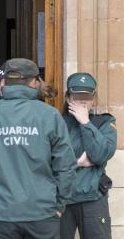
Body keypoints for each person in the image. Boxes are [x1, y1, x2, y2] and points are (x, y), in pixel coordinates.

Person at [0, 58, 77, 239]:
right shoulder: (50, 115)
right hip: (42, 213)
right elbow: (66, 165)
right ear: (33, 82)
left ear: (4, 82)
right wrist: (59, 205)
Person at [60, 72, 117, 239]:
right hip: (61, 199)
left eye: (87, 96)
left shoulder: (104, 123)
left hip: (93, 198)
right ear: (68, 97)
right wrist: (77, 162)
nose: (82, 100)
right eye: (77, 95)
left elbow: (100, 154)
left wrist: (85, 122)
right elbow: (47, 158)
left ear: (94, 98)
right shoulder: (56, 122)